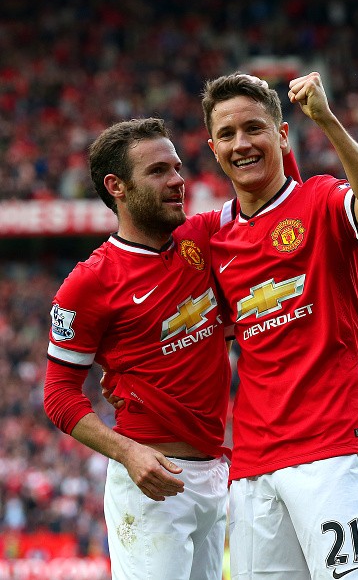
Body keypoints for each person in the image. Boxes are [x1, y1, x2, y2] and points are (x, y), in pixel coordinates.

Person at [44, 115, 302, 580]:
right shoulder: (89, 283)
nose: (177, 180)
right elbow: (58, 395)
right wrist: (127, 452)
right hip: (151, 481)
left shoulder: (203, 236)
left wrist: (274, 133)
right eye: (158, 171)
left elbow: (284, 203)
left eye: (177, 167)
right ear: (117, 187)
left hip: (214, 472)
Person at [201, 72, 358, 579]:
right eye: (227, 134)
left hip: (333, 451)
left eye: (254, 128)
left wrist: (327, 120)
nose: (241, 144)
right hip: (254, 465)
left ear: (283, 135)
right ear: (213, 148)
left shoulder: (319, 199)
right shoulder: (215, 240)